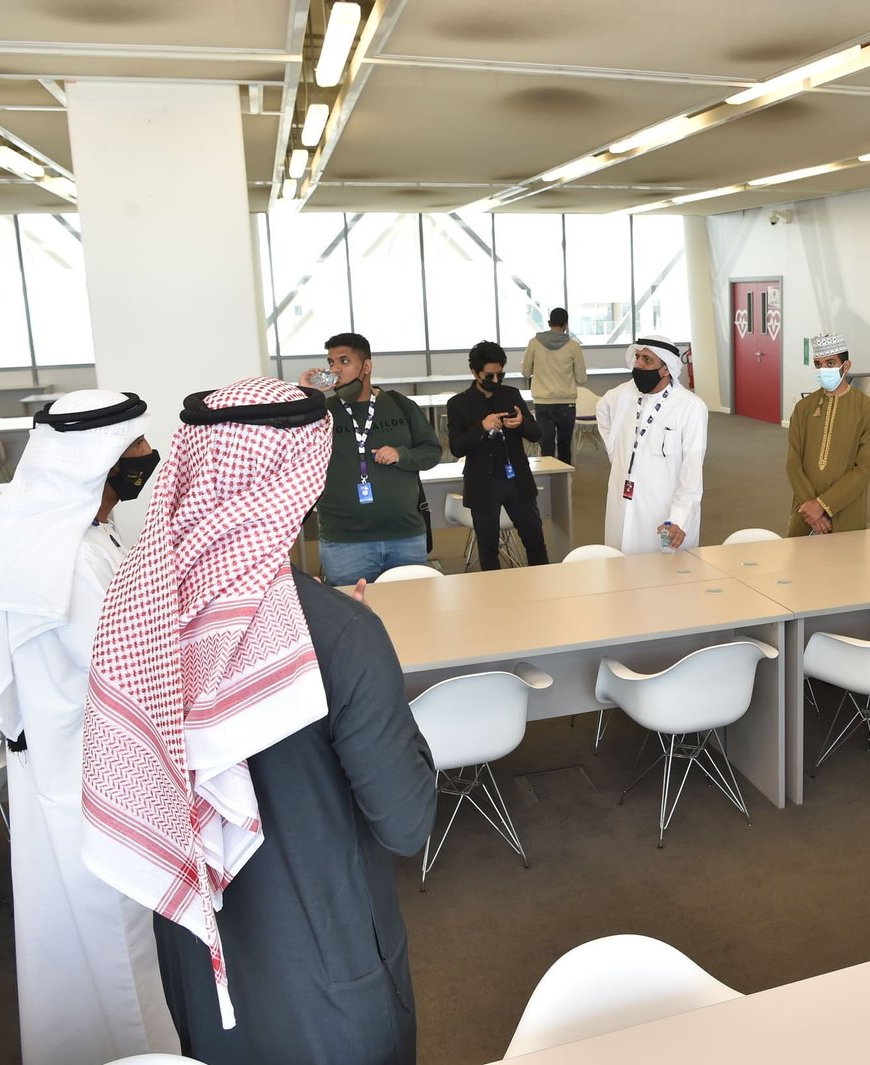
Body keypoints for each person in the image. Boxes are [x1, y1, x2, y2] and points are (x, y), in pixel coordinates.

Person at [80, 377, 437, 1064]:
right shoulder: (341, 633)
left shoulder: (132, 614)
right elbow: (407, 821)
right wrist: (369, 660)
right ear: (302, 478)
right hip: (329, 984)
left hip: (201, 969)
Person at [0, 390, 177, 1065]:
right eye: (136, 445)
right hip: (90, 772)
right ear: (100, 458)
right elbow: (129, 667)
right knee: (115, 934)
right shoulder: (70, 555)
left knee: (66, 929)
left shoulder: (46, 528)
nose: (148, 455)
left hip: (54, 767)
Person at [302, 332, 441, 585]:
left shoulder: (400, 405)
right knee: (351, 609)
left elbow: (432, 452)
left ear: (366, 366)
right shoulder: (322, 412)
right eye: (331, 363)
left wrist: (402, 454)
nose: (335, 370)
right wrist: (306, 396)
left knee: (411, 607)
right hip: (345, 541)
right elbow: (288, 446)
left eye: (344, 361)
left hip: (405, 536)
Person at [596, 335, 707, 553]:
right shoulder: (624, 394)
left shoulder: (690, 406)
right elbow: (602, 409)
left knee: (662, 567)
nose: (638, 364)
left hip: (662, 508)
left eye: (647, 360)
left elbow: (692, 470)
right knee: (620, 561)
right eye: (637, 357)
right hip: (624, 499)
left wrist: (679, 517)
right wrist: (617, 454)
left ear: (666, 369)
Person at [447, 340, 550, 569]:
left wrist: (522, 423)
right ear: (474, 372)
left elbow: (536, 434)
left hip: (517, 480)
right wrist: (481, 428)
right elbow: (456, 447)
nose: (495, 381)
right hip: (483, 485)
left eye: (500, 375)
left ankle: (543, 584)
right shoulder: (459, 404)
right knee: (488, 551)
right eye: (489, 376)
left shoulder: (511, 395)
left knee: (535, 541)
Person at [786, 332, 870, 536]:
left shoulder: (867, 410)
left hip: (846, 509)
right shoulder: (804, 408)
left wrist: (822, 505)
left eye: (830, 363)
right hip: (805, 510)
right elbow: (793, 462)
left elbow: (863, 469)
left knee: (845, 556)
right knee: (799, 555)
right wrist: (810, 506)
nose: (823, 369)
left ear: (846, 366)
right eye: (818, 364)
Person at [522, 307, 586, 465]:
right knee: (565, 446)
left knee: (546, 447)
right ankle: (565, 478)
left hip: (543, 403)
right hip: (567, 403)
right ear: (566, 324)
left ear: (549, 322)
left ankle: (548, 477)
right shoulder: (573, 346)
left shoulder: (534, 343)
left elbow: (525, 372)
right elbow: (581, 378)